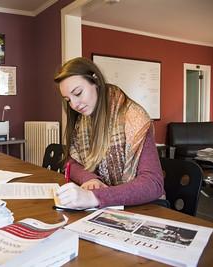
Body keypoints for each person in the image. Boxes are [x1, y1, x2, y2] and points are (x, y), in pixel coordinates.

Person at [54, 57, 164, 209]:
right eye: (68, 100)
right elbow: (71, 161)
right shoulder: (83, 121)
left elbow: (153, 184)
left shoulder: (134, 118)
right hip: (107, 207)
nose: (74, 105)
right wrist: (90, 179)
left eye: (78, 93)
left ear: (96, 81)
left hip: (143, 208)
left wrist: (94, 197)